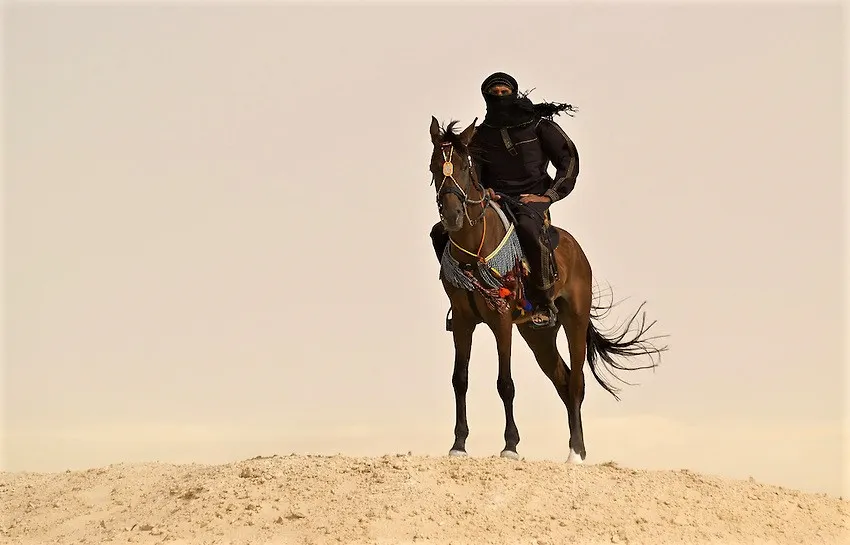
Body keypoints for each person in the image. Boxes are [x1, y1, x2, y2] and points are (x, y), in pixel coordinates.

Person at [430, 71, 580, 329]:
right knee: (440, 232)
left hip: (530, 202)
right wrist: (483, 191)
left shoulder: (539, 126)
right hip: (493, 201)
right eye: (494, 93)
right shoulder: (480, 135)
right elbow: (472, 172)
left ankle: (544, 302)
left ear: (514, 93)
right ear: (486, 97)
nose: (499, 96)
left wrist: (547, 196)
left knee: (527, 229)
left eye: (504, 92)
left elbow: (569, 161)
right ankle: (461, 301)